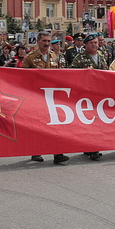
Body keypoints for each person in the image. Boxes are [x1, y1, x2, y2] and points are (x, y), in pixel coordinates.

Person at [22, 31, 71, 164]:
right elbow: (22, 78)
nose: (47, 44)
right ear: (38, 41)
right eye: (44, 41)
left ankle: (58, 153)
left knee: (55, 124)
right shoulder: (30, 58)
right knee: (38, 125)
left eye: (49, 41)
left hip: (52, 96)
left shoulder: (54, 56)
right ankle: (36, 151)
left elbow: (60, 74)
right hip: (36, 96)